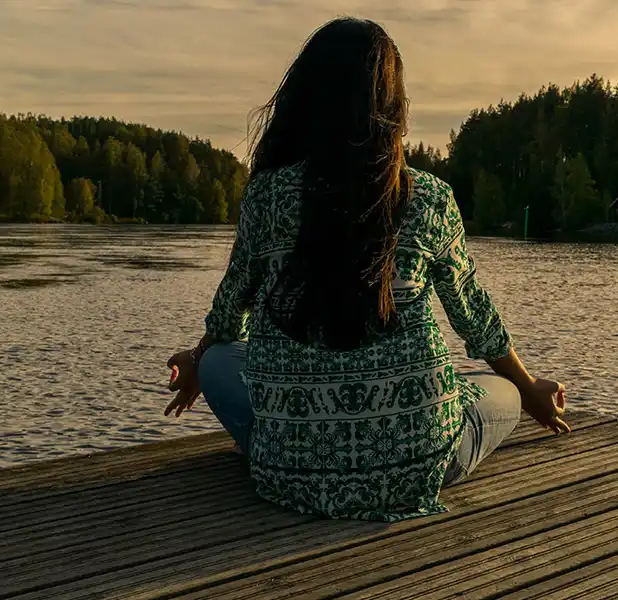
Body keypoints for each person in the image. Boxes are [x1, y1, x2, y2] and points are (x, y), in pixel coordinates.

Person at [163, 17, 569, 522]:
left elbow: (230, 310)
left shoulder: (266, 195)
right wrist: (529, 389)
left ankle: (291, 445)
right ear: (392, 107)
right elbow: (474, 316)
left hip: (288, 474)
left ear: (304, 99)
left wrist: (198, 358)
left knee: (220, 360)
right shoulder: (429, 197)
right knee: (501, 391)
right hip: (416, 467)